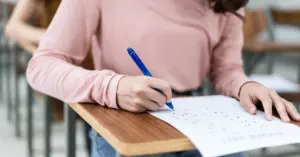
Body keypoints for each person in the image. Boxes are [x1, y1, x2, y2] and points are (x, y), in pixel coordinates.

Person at [26, 0, 300, 157]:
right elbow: (41, 66)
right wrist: (112, 85)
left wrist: (245, 85)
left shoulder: (226, 2)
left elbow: (226, 69)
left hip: (203, 125)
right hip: (123, 120)